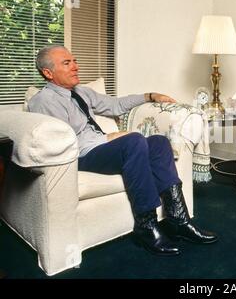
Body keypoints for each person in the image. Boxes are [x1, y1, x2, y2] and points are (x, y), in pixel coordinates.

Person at [29, 45, 218, 256]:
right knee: (133, 141)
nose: (75, 66)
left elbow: (116, 105)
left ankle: (179, 220)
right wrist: (108, 137)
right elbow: (61, 140)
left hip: (100, 147)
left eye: (74, 61)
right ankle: (146, 227)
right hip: (80, 155)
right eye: (67, 63)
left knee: (158, 142)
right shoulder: (44, 101)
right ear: (48, 73)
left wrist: (150, 95)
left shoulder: (81, 92)